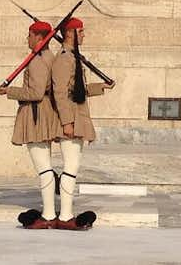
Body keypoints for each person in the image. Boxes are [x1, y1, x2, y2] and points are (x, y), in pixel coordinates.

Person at [0, 21, 63, 229]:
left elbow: (34, 93)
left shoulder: (37, 61)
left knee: (43, 169)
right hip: (44, 112)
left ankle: (49, 214)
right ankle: (51, 210)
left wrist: (10, 92)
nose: (27, 39)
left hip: (36, 114)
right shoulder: (50, 57)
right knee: (45, 166)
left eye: (30, 35)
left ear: (38, 37)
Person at [51, 17, 115, 230]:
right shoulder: (63, 59)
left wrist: (101, 87)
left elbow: (77, 89)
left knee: (73, 167)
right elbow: (60, 93)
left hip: (78, 117)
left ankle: (66, 213)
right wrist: (67, 122)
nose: (83, 35)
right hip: (71, 119)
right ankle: (66, 216)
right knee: (70, 167)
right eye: (80, 31)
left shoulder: (72, 57)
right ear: (69, 34)